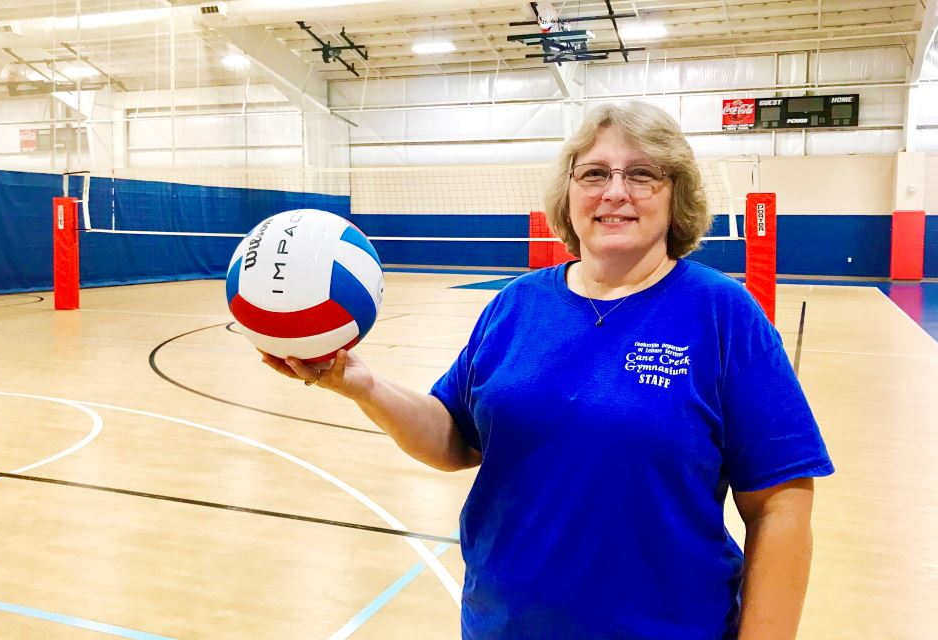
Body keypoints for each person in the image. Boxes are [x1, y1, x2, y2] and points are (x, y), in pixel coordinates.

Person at [261, 101, 834, 640]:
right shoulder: (517, 304)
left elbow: (780, 503)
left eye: (642, 174)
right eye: (594, 174)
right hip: (501, 625)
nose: (615, 192)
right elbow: (455, 439)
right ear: (568, 192)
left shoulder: (722, 313)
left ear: (675, 193)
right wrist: (361, 385)